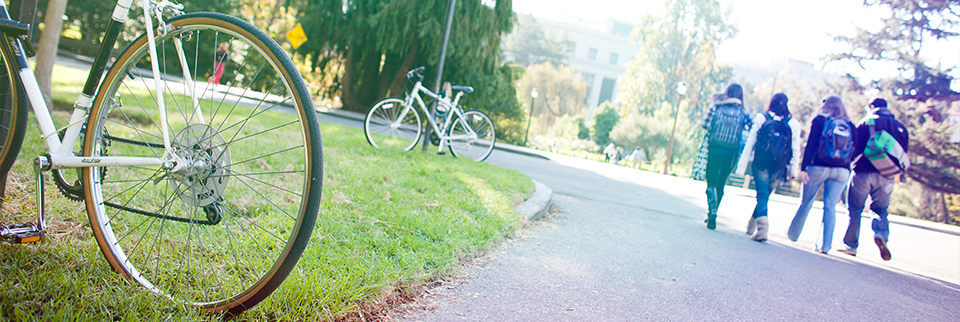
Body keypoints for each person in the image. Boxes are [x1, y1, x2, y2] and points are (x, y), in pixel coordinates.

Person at [837, 98, 909, 261]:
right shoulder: (900, 127)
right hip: (887, 174)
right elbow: (903, 153)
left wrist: (847, 164)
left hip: (863, 171)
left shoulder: (867, 122)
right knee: (880, 209)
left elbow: (856, 147)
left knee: (855, 208)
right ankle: (881, 234)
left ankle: (850, 245)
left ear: (871, 107)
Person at [787, 95, 857, 253]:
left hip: (818, 167)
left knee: (806, 201)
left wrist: (803, 168)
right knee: (830, 206)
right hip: (842, 170)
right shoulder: (850, 125)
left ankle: (792, 234)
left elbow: (810, 144)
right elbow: (855, 148)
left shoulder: (819, 120)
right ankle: (825, 245)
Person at [735, 93, 802, 241]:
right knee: (764, 196)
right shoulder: (793, 124)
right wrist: (793, 170)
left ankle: (762, 229)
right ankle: (751, 226)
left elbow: (751, 142)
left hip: (761, 163)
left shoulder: (762, 118)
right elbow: (795, 148)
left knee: (762, 195)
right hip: (780, 166)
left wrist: (741, 166)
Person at [701, 83, 751, 230]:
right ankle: (714, 210)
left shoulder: (716, 106)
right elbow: (750, 129)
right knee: (721, 182)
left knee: (711, 181)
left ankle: (711, 211)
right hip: (731, 152)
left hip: (714, 149)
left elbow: (704, 123)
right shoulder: (743, 112)